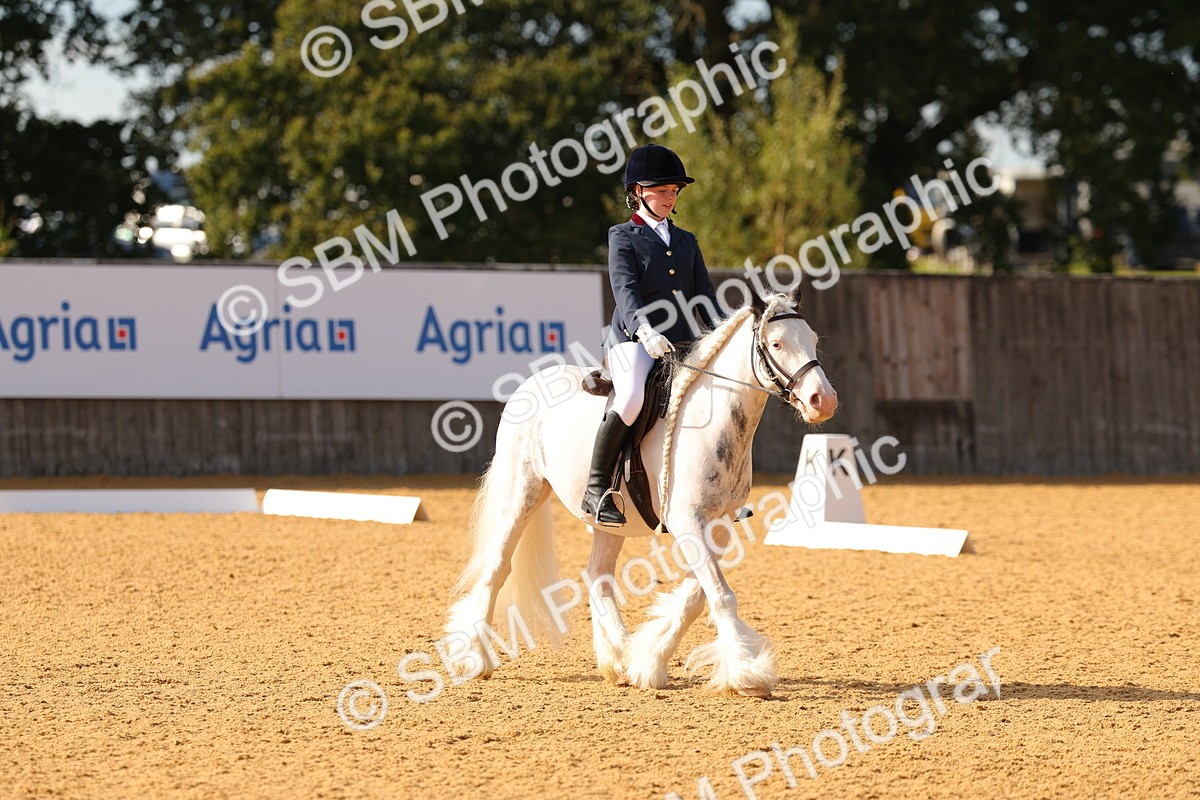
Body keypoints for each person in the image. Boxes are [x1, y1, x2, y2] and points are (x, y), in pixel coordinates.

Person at [581, 143, 721, 528]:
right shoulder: (622, 236)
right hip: (632, 339)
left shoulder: (687, 241)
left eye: (673, 191)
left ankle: (717, 487)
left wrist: (721, 335)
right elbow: (624, 290)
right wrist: (643, 329)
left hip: (682, 342)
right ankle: (596, 490)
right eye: (661, 190)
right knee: (629, 397)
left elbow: (704, 296)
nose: (668, 197)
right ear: (638, 192)